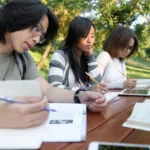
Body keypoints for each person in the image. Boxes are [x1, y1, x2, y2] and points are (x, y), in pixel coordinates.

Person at [0, 0, 107, 129]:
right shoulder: (60, 56)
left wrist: (80, 96)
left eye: (42, 36)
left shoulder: (23, 59)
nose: (37, 40)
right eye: (36, 29)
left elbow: (47, 90)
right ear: (16, 16)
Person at [48, 16, 107, 93]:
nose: (90, 41)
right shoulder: (60, 56)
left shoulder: (87, 59)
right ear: (75, 37)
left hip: (86, 104)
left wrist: (91, 58)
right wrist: (88, 90)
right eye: (85, 36)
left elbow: (97, 84)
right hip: (64, 103)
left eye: (92, 36)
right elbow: (54, 87)